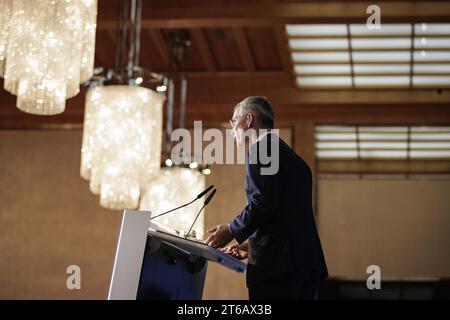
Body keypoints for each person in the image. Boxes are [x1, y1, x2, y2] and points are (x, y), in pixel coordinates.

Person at [205, 96, 328, 300]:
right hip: (304, 262)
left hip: (278, 269)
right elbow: (286, 215)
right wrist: (251, 246)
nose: (232, 128)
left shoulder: (262, 149)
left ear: (249, 119)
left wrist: (231, 229)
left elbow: (263, 203)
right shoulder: (293, 159)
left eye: (234, 121)